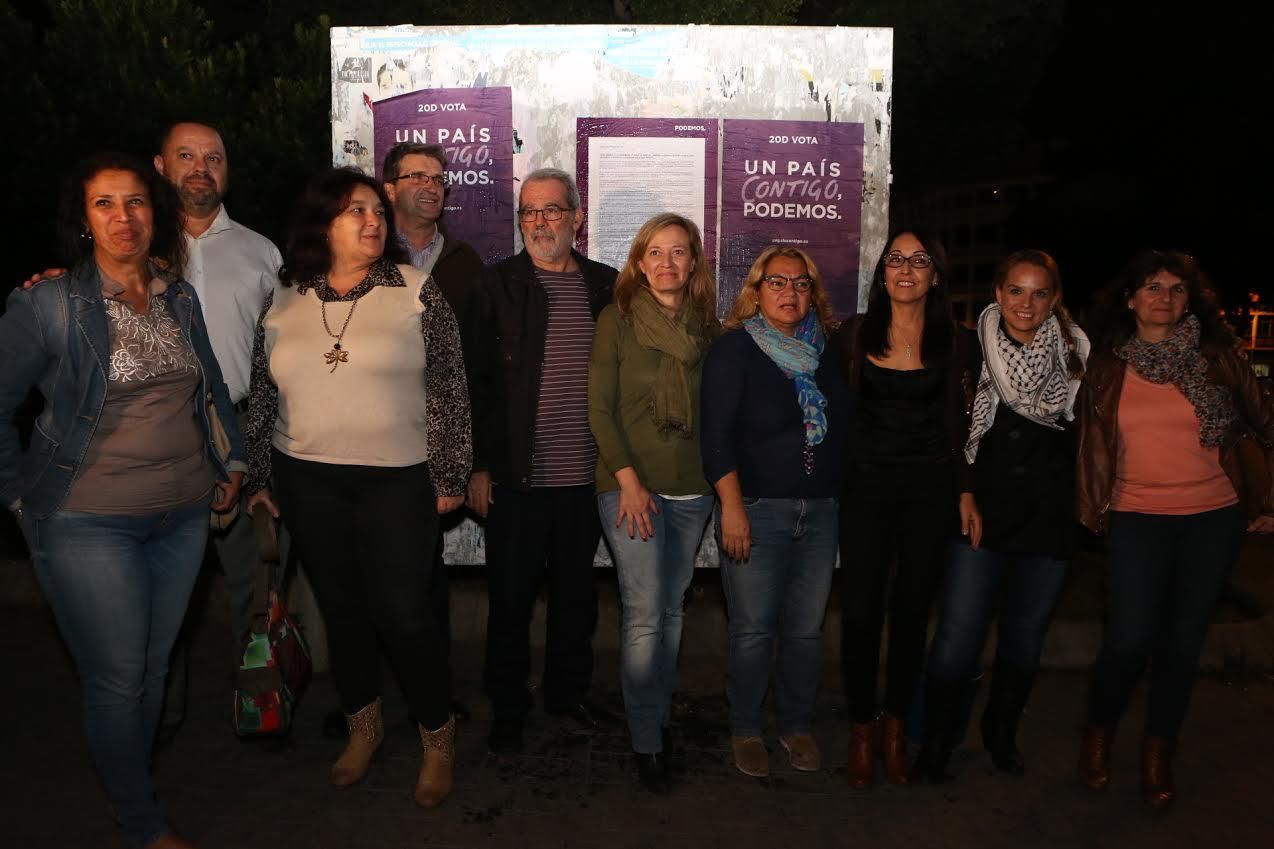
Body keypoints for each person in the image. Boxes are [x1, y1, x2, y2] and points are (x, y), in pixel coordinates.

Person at [0, 151, 245, 849]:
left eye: (135, 201)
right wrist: (20, 498)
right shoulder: (47, 303)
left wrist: (229, 459)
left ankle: (126, 783)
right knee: (119, 675)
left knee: (154, 671)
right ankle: (142, 821)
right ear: (83, 219)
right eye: (104, 204)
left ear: (155, 210)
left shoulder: (178, 295)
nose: (123, 217)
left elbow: (209, 390)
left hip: (182, 516)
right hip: (85, 521)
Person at [244, 167, 471, 808]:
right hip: (307, 477)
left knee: (403, 615)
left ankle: (436, 736)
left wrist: (451, 474)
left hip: (398, 481)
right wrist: (261, 476)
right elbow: (264, 393)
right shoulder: (285, 297)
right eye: (356, 211)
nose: (373, 221)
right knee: (341, 613)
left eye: (377, 210)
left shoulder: (417, 291)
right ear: (323, 224)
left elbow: (451, 391)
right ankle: (362, 729)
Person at [1075, 250, 1274, 808]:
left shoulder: (1219, 356)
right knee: (1129, 640)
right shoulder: (1105, 364)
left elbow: (1265, 423)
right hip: (1135, 516)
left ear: (1192, 299)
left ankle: (1158, 751)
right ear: (1131, 298)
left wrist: (1268, 499)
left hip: (1213, 517)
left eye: (1177, 288)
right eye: (1153, 286)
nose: (1165, 297)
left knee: (1183, 645)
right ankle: (1099, 733)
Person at [915, 250, 1090, 783]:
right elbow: (950, 430)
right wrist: (962, 492)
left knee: (1024, 640)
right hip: (981, 514)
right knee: (957, 640)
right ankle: (937, 743)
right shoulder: (969, 348)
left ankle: (1000, 733)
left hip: (1048, 517)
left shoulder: (1079, 355)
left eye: (1040, 293)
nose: (1026, 303)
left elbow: (1091, 439)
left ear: (1054, 299)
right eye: (1016, 290)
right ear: (998, 293)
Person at [470, 167, 619, 754]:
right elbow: (474, 381)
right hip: (517, 478)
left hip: (586, 479)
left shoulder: (605, 286)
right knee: (509, 599)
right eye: (529, 212)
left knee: (576, 600)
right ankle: (508, 706)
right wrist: (479, 466)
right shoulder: (496, 285)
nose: (540, 222)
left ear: (577, 218)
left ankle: (567, 693)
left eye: (552, 210)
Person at [829, 229, 980, 789]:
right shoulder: (853, 335)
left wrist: (965, 490)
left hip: (929, 494)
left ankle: (896, 728)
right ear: (883, 272)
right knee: (863, 614)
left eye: (920, 261)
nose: (906, 269)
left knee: (913, 613)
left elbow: (967, 426)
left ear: (936, 275)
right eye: (896, 259)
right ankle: (863, 729)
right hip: (865, 492)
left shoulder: (959, 343)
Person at [152, 121, 281, 739]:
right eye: (187, 156)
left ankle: (254, 706)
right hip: (156, 441)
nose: (202, 168)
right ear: (160, 165)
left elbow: (280, 361)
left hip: (239, 431)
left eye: (215, 158)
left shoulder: (262, 252)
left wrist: (266, 463)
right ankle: (160, 715)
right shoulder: (134, 247)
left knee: (247, 591)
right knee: (159, 596)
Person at [700, 246, 849, 779]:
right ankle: (745, 727)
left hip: (821, 514)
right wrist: (733, 508)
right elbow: (715, 438)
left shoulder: (826, 351)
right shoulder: (735, 350)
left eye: (801, 283)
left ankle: (796, 725)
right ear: (756, 291)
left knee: (807, 632)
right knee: (753, 631)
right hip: (756, 510)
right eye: (778, 282)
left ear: (814, 293)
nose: (790, 293)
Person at [588, 213, 720, 793]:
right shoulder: (616, 321)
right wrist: (630, 480)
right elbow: (600, 409)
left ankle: (659, 717)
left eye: (679, 253)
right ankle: (647, 739)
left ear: (693, 264)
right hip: (629, 486)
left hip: (692, 488)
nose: (667, 263)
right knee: (644, 615)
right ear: (640, 262)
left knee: (670, 612)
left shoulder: (709, 330)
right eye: (656, 253)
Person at [383, 141, 485, 724]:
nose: (431, 185)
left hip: (440, 440)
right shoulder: (363, 255)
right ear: (389, 186)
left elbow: (479, 369)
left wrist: (471, 457)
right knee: (376, 570)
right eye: (416, 175)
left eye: (439, 178)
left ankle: (432, 692)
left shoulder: (466, 265)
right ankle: (368, 694)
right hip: (376, 440)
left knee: (425, 571)